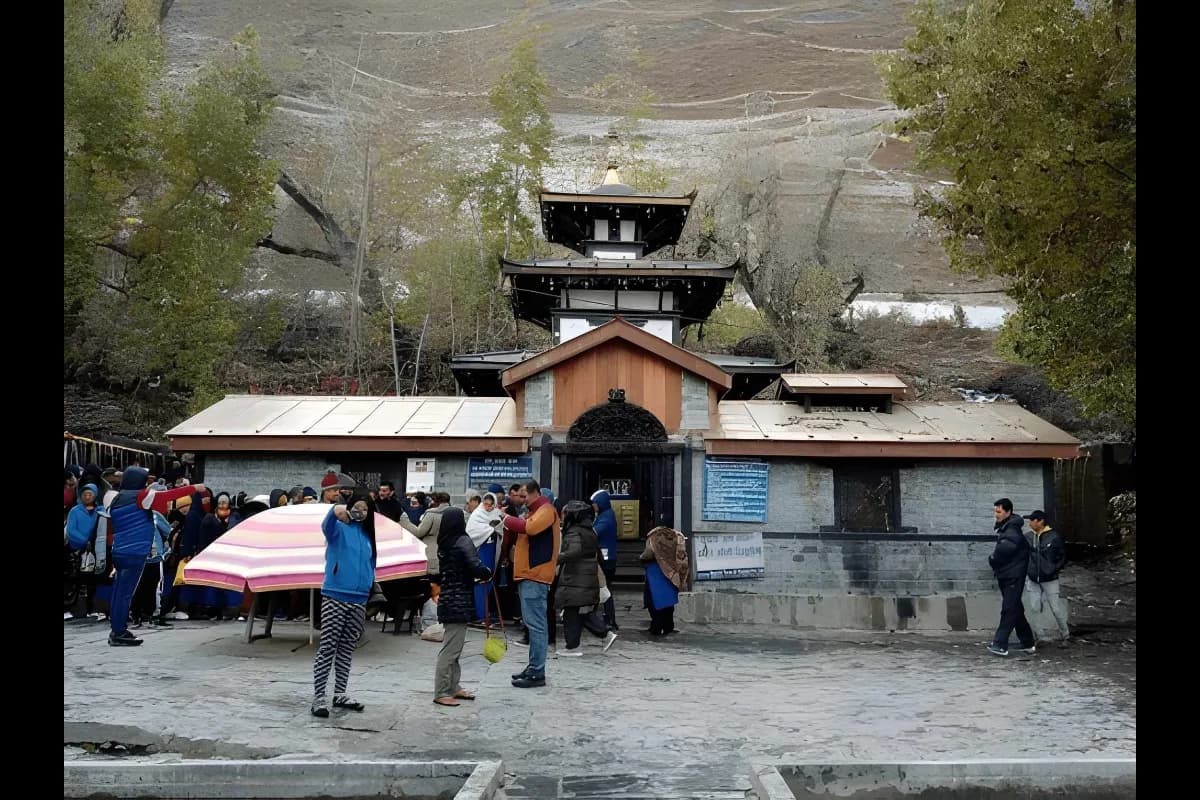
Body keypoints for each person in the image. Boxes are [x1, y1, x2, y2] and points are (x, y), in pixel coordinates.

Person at [104, 467, 198, 646]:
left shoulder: (114, 498)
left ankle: (117, 628)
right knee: (125, 594)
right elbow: (168, 496)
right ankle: (118, 632)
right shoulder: (141, 497)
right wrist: (194, 488)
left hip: (119, 551)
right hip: (135, 552)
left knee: (118, 592)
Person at [311, 495, 377, 718]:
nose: (361, 512)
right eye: (357, 508)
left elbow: (370, 564)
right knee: (328, 647)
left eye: (365, 509)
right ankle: (319, 697)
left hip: (359, 599)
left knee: (347, 647)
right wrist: (339, 510)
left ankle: (340, 693)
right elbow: (327, 523)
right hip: (335, 595)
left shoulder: (368, 536)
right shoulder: (337, 530)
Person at [501, 480, 560, 688]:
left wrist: (506, 519)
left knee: (536, 626)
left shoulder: (546, 510)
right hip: (530, 574)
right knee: (533, 624)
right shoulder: (536, 511)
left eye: (524, 496)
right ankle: (534, 667)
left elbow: (530, 528)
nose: (522, 500)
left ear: (536, 493)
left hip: (536, 575)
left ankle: (536, 672)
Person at [432, 507, 493, 706]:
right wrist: (487, 572)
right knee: (451, 650)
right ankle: (442, 691)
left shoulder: (443, 542)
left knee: (454, 648)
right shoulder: (463, 540)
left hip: (448, 599)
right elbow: (475, 565)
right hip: (459, 601)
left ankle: (454, 686)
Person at [556, 500, 618, 656]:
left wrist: (556, 559)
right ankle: (603, 634)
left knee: (572, 611)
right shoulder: (589, 531)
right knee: (581, 611)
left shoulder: (574, 532)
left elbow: (574, 551)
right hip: (586, 575)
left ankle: (573, 646)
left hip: (575, 576)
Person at [987, 498, 1037, 657]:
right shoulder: (1008, 528)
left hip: (1012, 576)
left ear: (1008, 512)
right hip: (1009, 575)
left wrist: (992, 559)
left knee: (1009, 609)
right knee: (1016, 609)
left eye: (999, 511)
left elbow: (1002, 553)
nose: (996, 514)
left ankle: (1000, 644)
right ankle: (1028, 642)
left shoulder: (1011, 531)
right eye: (995, 511)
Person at [1024, 510, 1070, 643]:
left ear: (1040, 521)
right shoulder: (1028, 537)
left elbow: (1062, 557)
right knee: (1034, 608)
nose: (1030, 523)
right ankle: (1040, 636)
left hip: (1050, 579)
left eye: (1032, 520)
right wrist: (1028, 570)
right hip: (1033, 578)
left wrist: (1053, 570)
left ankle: (1065, 634)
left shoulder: (1054, 537)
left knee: (1055, 608)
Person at [641, 523, 689, 636]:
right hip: (671, 572)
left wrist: (641, 557)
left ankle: (656, 627)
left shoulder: (654, 536)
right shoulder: (677, 536)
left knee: (654, 601)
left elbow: (648, 553)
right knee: (668, 601)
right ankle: (668, 627)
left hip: (656, 571)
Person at [467, 492, 503, 623]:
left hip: (492, 552)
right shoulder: (477, 515)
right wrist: (491, 530)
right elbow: (471, 532)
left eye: (490, 505)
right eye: (486, 504)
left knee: (489, 582)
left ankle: (486, 613)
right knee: (480, 582)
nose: (488, 507)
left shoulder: (497, 514)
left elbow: (501, 529)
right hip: (481, 552)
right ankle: (481, 614)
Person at [590, 489, 619, 631]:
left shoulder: (605, 518)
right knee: (603, 588)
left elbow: (594, 532)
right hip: (606, 556)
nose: (593, 506)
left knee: (605, 588)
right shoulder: (605, 515)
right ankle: (606, 617)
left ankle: (609, 618)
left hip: (605, 558)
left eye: (595, 503)